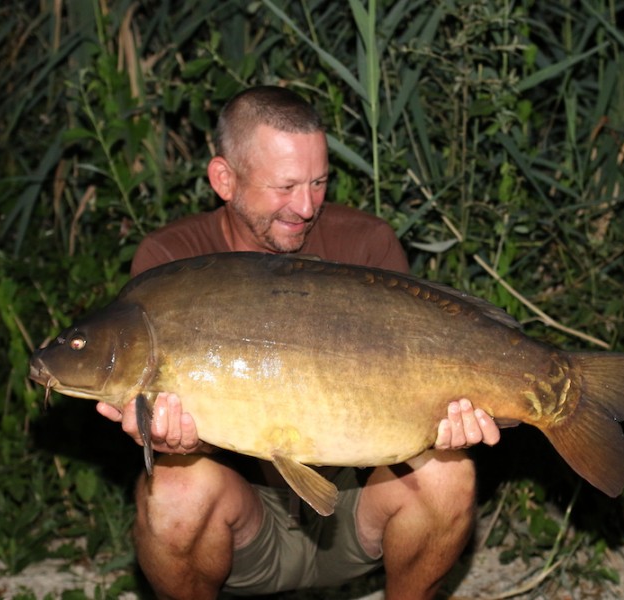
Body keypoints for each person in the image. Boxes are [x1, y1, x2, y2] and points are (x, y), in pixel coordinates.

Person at [96, 86, 500, 600]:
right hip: (245, 517)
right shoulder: (172, 262)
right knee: (172, 490)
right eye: (285, 187)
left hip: (356, 508)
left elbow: (412, 387)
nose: (307, 207)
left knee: (449, 473)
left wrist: (444, 420)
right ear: (224, 179)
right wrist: (178, 439)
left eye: (319, 182)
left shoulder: (365, 244)